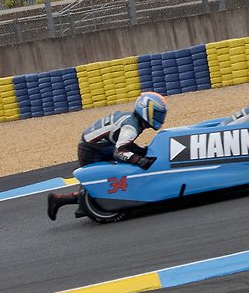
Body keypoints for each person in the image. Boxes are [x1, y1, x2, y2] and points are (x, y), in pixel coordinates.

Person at [47, 92, 168, 221]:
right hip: (91, 150)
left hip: (102, 146)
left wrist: (143, 152)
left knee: (135, 159)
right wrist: (139, 160)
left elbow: (125, 144)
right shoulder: (130, 127)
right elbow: (119, 152)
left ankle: (61, 200)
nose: (159, 117)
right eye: (156, 114)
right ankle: (64, 201)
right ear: (145, 110)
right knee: (105, 183)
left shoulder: (132, 119)